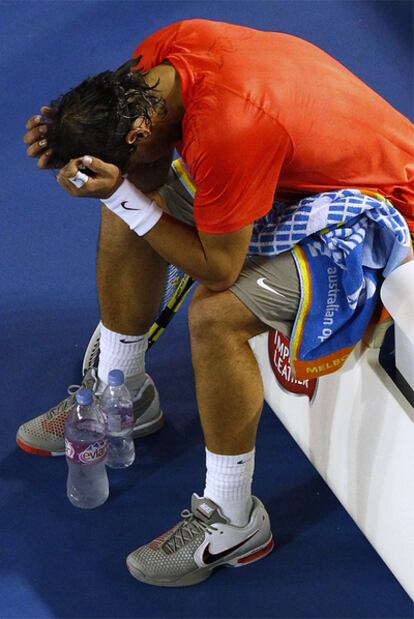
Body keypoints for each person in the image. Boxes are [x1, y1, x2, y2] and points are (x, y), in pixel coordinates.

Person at [20, 19, 413, 587]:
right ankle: (120, 392)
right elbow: (140, 175)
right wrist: (65, 133)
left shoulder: (228, 129)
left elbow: (216, 269)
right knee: (126, 203)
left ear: (135, 135)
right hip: (292, 177)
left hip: (377, 209)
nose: (137, 169)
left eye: (129, 158)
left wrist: (129, 193)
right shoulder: (159, 62)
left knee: (215, 315)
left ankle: (233, 522)